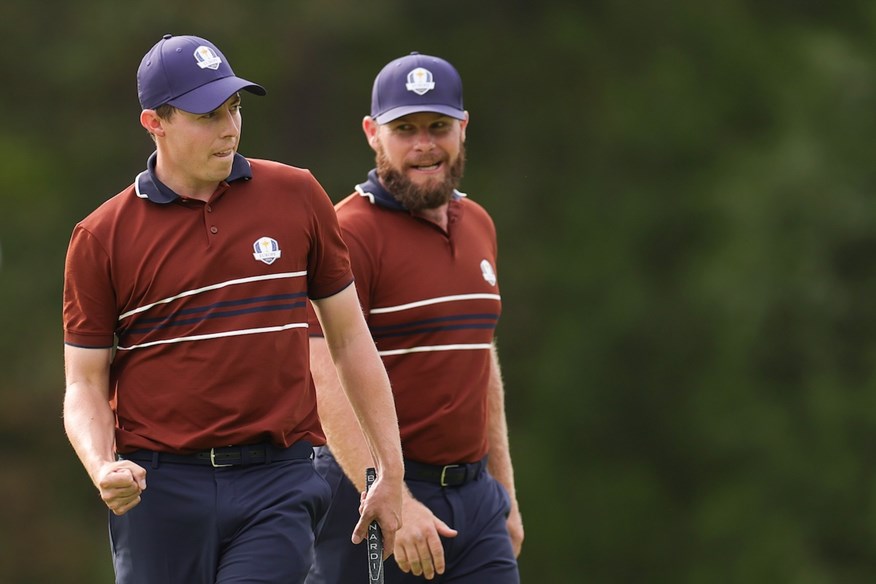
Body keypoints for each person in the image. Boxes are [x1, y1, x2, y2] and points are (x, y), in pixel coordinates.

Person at [61, 34, 403, 584]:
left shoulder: (297, 196)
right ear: (155, 122)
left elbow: (349, 339)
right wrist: (102, 465)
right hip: (160, 491)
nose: (230, 127)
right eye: (207, 115)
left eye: (235, 107)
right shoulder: (102, 236)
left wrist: (390, 471)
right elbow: (84, 382)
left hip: (280, 483)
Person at [305, 52, 524, 584]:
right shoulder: (347, 232)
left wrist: (505, 493)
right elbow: (323, 381)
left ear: (463, 128)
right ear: (372, 134)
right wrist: (391, 498)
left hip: (476, 504)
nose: (424, 144)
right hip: (373, 501)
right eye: (405, 129)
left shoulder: (478, 224)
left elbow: (480, 362)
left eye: (438, 126)